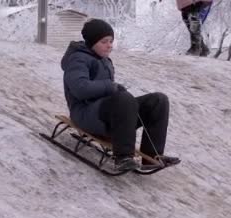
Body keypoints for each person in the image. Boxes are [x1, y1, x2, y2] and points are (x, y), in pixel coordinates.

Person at [60, 19, 180, 172]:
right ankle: (123, 157)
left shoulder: (104, 60)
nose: (109, 45)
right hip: (85, 115)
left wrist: (115, 92)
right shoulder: (78, 59)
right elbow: (80, 89)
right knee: (123, 99)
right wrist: (111, 88)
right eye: (104, 41)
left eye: (111, 41)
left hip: (105, 114)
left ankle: (152, 155)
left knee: (158, 100)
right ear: (92, 42)